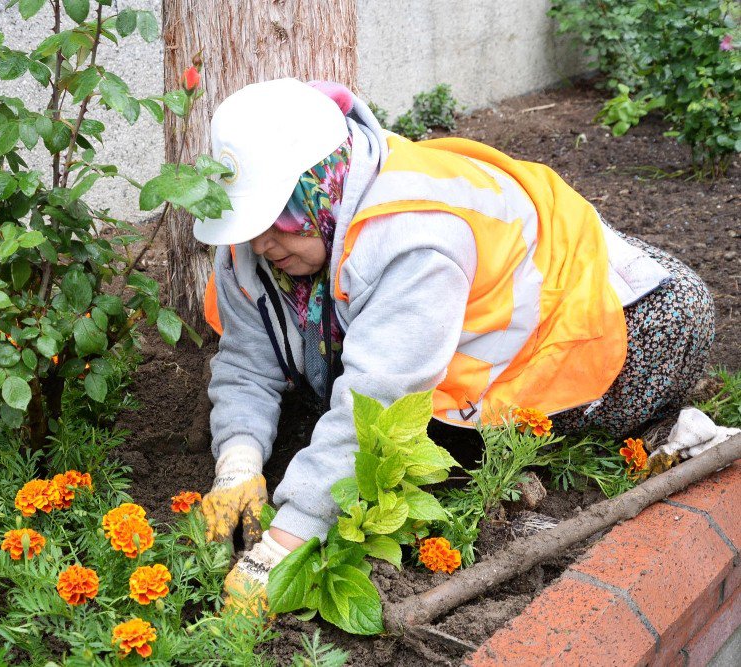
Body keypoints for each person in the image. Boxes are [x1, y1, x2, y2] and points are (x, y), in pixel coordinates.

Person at [193, 78, 734, 610]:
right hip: (482, 278)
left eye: (275, 222)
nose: (261, 243)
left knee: (473, 435)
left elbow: (376, 397)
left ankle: (652, 420)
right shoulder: (257, 244)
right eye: (250, 222)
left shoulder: (411, 237)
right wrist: (238, 460)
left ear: (320, 189)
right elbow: (245, 360)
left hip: (602, 304)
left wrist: (286, 540)